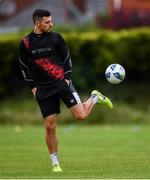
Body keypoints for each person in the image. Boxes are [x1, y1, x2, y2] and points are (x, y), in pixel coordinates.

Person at [19, 9, 113, 172]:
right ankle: (55, 163)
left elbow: (67, 60)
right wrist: (32, 87)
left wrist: (67, 79)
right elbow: (23, 67)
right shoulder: (26, 42)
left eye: (51, 21)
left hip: (61, 84)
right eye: (47, 22)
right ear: (37, 23)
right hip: (42, 89)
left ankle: (95, 98)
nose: (51, 24)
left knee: (81, 116)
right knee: (50, 126)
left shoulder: (56, 38)